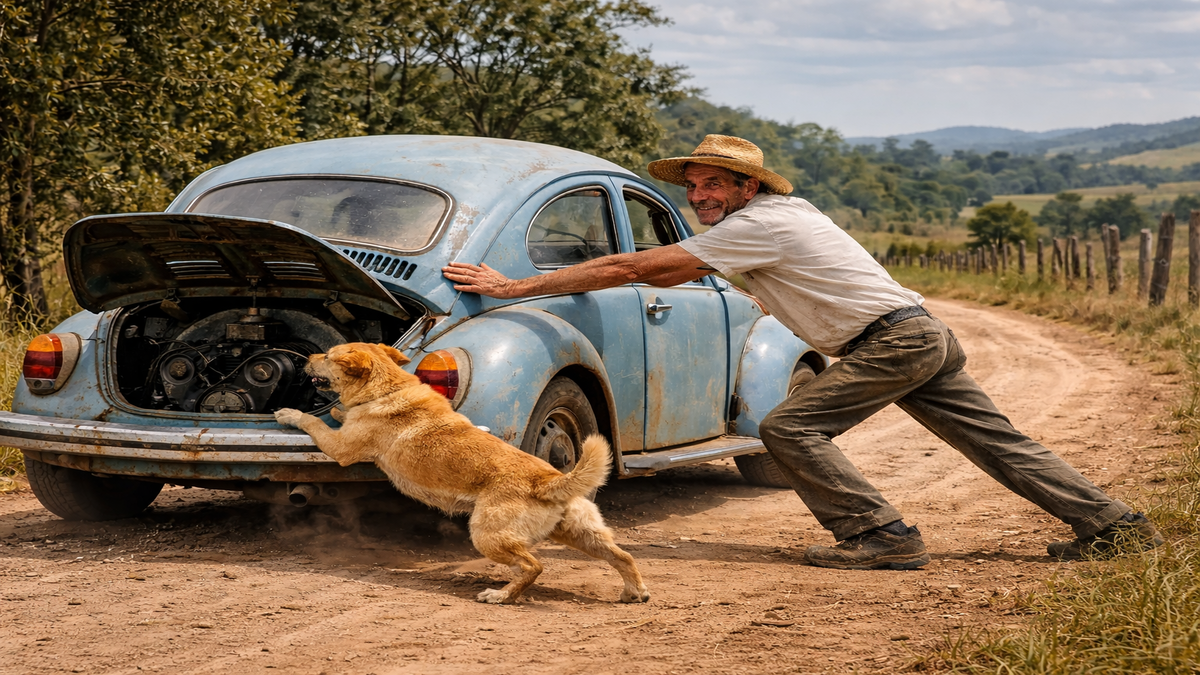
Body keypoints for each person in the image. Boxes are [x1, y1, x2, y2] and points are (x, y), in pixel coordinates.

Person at [442, 134, 1162, 570]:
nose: (699, 194)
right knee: (999, 442)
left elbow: (633, 268)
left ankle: (880, 533)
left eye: (713, 183)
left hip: (894, 338)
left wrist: (511, 286)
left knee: (786, 427)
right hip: (916, 330)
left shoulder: (755, 225)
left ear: (748, 186)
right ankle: (1114, 525)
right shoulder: (778, 218)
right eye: (693, 186)